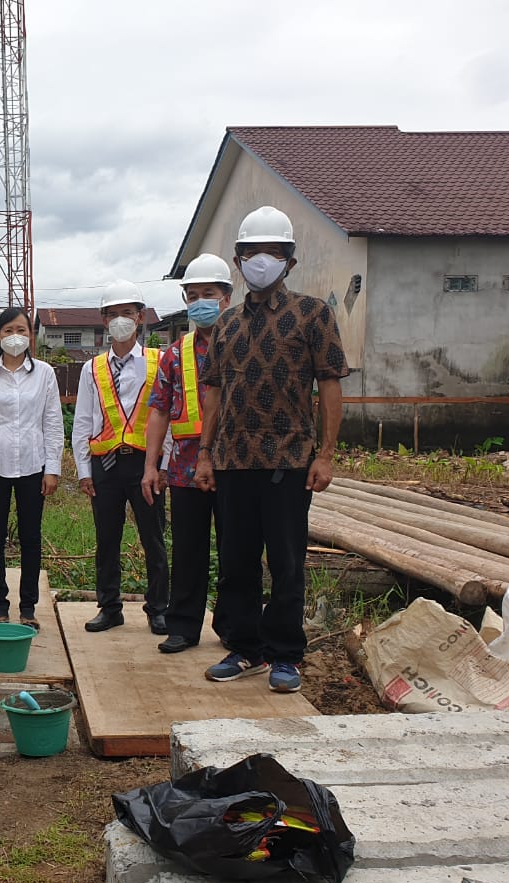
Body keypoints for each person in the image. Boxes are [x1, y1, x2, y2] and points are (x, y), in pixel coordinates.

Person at [194, 206, 349, 693]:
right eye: (251, 253)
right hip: (234, 461)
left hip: (288, 460)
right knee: (236, 561)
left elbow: (330, 384)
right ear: (237, 262)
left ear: (290, 261)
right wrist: (204, 453)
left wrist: (325, 454)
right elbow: (214, 391)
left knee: (286, 562)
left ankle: (284, 655)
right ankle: (244, 649)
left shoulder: (312, 314)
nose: (262, 260)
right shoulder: (227, 324)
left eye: (273, 252)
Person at [143, 253, 233, 654]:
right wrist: (151, 465)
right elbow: (159, 409)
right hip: (182, 469)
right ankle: (183, 625)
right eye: (192, 294)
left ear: (226, 298)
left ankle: (232, 625)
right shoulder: (175, 353)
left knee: (235, 549)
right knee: (188, 549)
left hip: (233, 466)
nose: (200, 301)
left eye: (208, 294)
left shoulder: (243, 347)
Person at [72, 280, 169, 634]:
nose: (119, 320)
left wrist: (164, 467)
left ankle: (159, 608)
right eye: (112, 314)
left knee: (153, 538)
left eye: (126, 313)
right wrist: (84, 471)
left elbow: (170, 419)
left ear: (140, 317)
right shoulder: (91, 369)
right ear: (103, 321)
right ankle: (109, 607)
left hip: (146, 466)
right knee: (107, 539)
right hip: (106, 466)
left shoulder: (160, 363)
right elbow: (82, 421)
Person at [0, 306, 63, 630]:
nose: (15, 337)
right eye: (9, 330)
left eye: (21, 330)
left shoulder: (45, 374)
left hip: (32, 464)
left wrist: (51, 468)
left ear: (30, 335)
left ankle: (28, 608)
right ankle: (0, 606)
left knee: (30, 537)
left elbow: (52, 421)